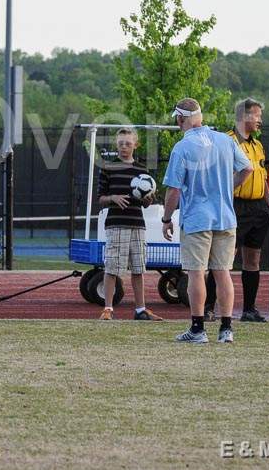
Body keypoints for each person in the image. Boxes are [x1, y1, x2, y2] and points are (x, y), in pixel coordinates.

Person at [161, 98, 253, 344]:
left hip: (197, 218)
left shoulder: (182, 147)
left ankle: (198, 329)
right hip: (225, 216)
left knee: (196, 273)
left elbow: (173, 190)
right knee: (223, 273)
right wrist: (227, 187)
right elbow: (248, 169)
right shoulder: (225, 140)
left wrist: (166, 218)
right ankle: (226, 329)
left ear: (181, 118)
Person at [205, 98, 269, 322]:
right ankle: (209, 307)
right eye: (257, 115)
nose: (260, 120)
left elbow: (261, 173)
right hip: (235, 206)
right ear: (244, 116)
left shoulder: (257, 145)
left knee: (253, 259)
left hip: (258, 208)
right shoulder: (225, 141)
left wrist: (267, 200)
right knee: (223, 259)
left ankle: (249, 309)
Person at [95, 127, 161, 321]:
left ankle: (140, 309)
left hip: (137, 224)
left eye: (128, 143)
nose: (124, 147)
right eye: (121, 143)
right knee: (112, 267)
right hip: (116, 224)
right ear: (117, 145)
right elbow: (100, 198)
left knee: (139, 268)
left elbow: (146, 203)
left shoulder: (142, 171)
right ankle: (108, 308)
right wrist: (113, 197)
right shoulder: (108, 167)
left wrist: (149, 198)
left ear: (135, 145)